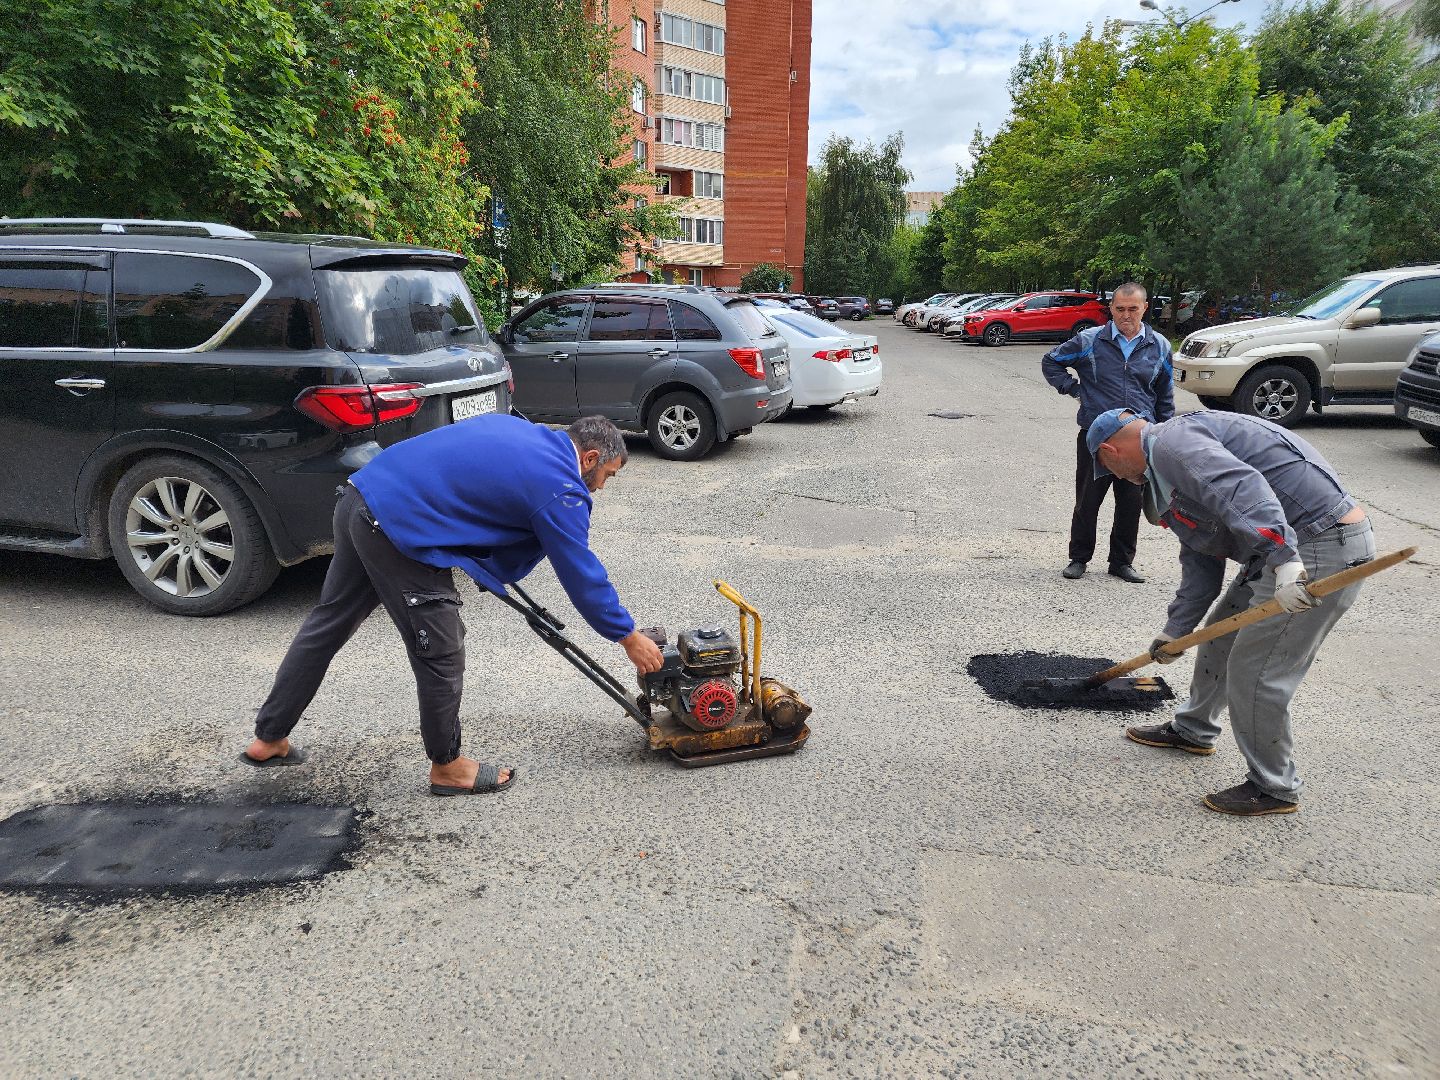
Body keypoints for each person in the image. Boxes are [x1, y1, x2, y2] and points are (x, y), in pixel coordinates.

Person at [242, 414, 665, 796]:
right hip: (397, 528)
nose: (601, 487)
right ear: (589, 458)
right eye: (606, 474)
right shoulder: (560, 486)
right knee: (441, 650)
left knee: (329, 622)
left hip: (362, 496)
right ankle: (447, 766)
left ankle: (269, 737)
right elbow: (581, 572)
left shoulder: (525, 432)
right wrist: (627, 636)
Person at [1086, 408, 1374, 816]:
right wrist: (1176, 631)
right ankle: (1194, 729)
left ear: (1110, 450)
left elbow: (1243, 487)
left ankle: (1274, 787)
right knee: (1219, 637)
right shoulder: (1171, 469)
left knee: (1257, 671)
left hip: (1316, 547)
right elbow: (1201, 556)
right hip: (1283, 549)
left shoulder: (1171, 445)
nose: (1118, 478)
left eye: (1110, 469)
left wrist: (1285, 560)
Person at [1042, 283, 1174, 584]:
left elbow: (1165, 394)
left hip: (1139, 440)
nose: (1126, 315)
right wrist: (1074, 389)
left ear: (1144, 308)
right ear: (1111, 309)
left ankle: (1121, 562)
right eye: (1120, 309)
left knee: (1131, 503)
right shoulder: (1090, 340)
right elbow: (1051, 361)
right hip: (1096, 437)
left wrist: (1164, 433)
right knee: (1087, 501)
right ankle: (1079, 557)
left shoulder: (1160, 345)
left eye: (1133, 309)